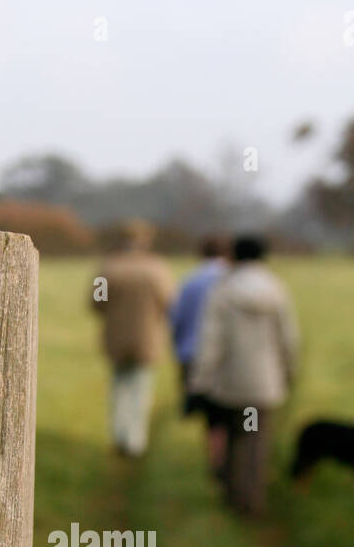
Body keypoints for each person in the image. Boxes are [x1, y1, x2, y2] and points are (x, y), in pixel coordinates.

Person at [190, 234, 298, 516]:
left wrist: (200, 380)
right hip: (264, 382)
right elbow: (288, 339)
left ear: (235, 256)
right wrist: (289, 372)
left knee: (235, 436)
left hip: (231, 381)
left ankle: (233, 493)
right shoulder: (277, 290)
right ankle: (252, 498)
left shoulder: (223, 291)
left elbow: (211, 340)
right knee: (255, 439)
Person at [90, 220, 175, 457]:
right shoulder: (156, 269)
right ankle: (135, 441)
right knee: (140, 387)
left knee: (119, 387)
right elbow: (169, 302)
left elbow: (96, 303)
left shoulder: (108, 268)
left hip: (116, 337)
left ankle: (119, 434)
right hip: (147, 337)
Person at [170, 235, 229, 475]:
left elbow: (177, 319)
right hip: (226, 357)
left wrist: (178, 348)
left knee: (211, 417)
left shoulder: (190, 282)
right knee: (229, 413)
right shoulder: (231, 279)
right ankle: (227, 462)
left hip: (193, 354)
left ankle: (215, 462)